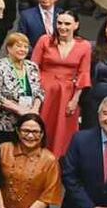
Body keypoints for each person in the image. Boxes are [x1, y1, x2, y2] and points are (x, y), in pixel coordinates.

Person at [33, 11, 92, 157]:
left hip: (67, 95)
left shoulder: (84, 45)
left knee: (63, 130)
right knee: (42, 124)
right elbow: (33, 67)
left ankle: (57, 163)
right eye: (59, 23)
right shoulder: (44, 40)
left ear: (76, 25)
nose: (62, 27)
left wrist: (75, 99)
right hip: (44, 91)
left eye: (67, 23)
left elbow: (84, 73)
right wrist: (35, 96)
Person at [0, 33, 45, 145]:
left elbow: (39, 91)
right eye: (18, 46)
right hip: (3, 122)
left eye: (25, 46)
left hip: (27, 122)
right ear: (9, 48)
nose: (23, 49)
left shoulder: (32, 66)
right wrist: (19, 110)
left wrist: (34, 110)